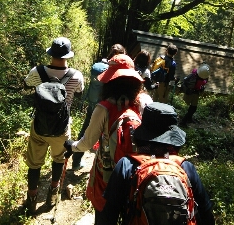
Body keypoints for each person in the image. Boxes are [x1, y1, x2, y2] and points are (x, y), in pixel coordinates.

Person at [63, 54, 151, 223]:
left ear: (109, 80)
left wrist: (72, 146)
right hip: (136, 174)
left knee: (104, 216)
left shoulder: (104, 108)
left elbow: (87, 143)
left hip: (107, 175)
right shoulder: (142, 102)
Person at [97, 102, 215, 225]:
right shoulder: (185, 167)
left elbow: (108, 215)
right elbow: (206, 213)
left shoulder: (127, 165)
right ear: (173, 137)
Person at [23, 37, 84, 215]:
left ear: (51, 53)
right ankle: (52, 194)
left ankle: (31, 200)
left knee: (34, 164)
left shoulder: (37, 71)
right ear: (68, 55)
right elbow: (79, 94)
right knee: (58, 160)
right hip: (62, 129)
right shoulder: (76, 76)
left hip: (39, 126)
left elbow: (26, 85)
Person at [72, 43, 126, 171]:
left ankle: (76, 161)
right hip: (109, 109)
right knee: (107, 136)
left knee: (86, 130)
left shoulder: (99, 67)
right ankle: (102, 166)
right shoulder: (118, 72)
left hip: (94, 105)